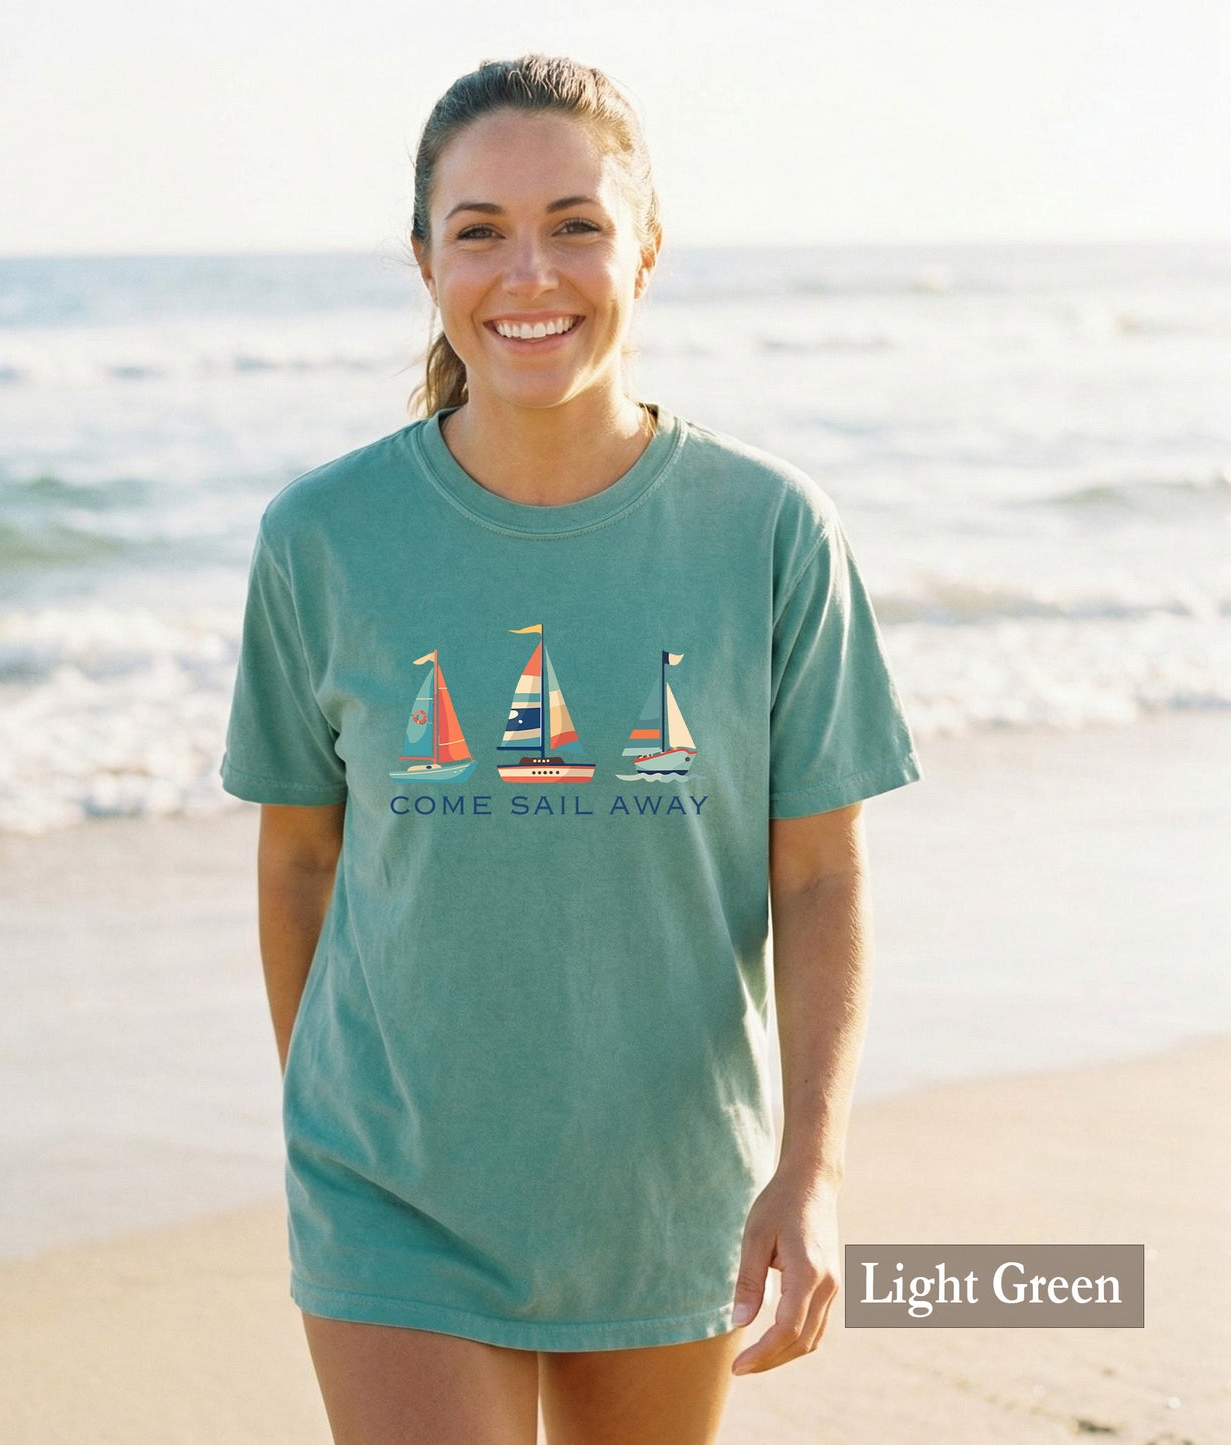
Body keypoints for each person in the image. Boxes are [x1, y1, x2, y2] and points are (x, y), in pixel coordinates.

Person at [221, 54, 920, 1445]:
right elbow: (299, 855)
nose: (527, 270)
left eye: (576, 223)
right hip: (390, 1188)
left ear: (644, 250)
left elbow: (821, 879)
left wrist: (811, 1169)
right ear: (423, 260)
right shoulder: (322, 536)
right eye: (477, 229)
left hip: (665, 1189)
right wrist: (339, 1113)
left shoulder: (771, 530)